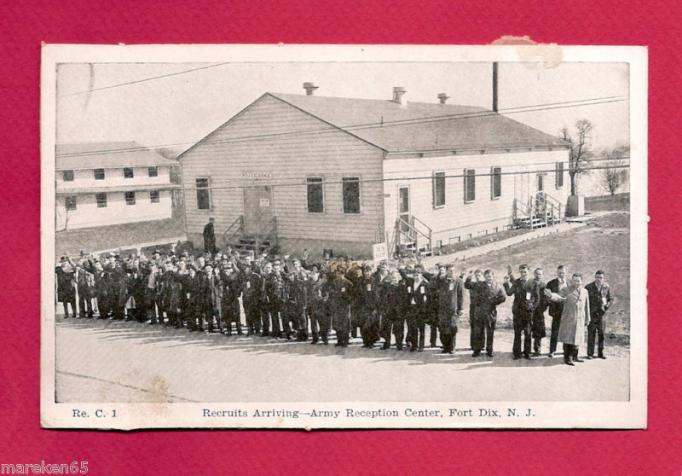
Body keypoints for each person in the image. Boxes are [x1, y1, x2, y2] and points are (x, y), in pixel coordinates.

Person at [545, 273, 591, 366]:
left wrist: (587, 318)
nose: (576, 282)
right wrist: (551, 296)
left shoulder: (585, 291)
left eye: (578, 281)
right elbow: (558, 297)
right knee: (568, 339)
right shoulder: (566, 290)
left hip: (580, 319)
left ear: (581, 281)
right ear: (571, 281)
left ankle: (575, 356)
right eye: (574, 280)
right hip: (569, 319)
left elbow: (587, 306)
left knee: (578, 338)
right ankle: (567, 358)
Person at [466, 269, 506, 357]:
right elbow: (467, 285)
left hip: (490, 313)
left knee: (490, 332)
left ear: (493, 276)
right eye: (487, 276)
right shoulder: (479, 284)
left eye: (490, 276)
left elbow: (503, 297)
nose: (489, 278)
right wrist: (469, 277)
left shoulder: (497, 286)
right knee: (478, 332)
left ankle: (489, 350)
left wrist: (494, 302)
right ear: (484, 277)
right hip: (479, 312)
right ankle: (477, 350)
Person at [504, 264, 536, 360]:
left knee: (528, 333)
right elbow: (509, 293)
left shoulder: (532, 282)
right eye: (521, 272)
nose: (523, 274)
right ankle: (517, 353)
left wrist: (532, 305)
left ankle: (527, 353)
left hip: (528, 312)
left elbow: (536, 296)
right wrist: (506, 283)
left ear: (528, 272)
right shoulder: (517, 282)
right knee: (517, 333)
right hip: (517, 311)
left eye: (525, 272)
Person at [585, 270, 614, 359]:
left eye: (600, 278)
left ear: (603, 278)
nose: (599, 279)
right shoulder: (589, 287)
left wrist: (606, 307)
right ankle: (590, 354)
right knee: (591, 334)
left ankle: (600, 353)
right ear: (595, 277)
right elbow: (586, 301)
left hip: (602, 315)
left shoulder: (606, 287)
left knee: (601, 334)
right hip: (592, 315)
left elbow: (610, 299)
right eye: (597, 277)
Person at [436, 265, 463, 354]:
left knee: (452, 328)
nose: (452, 272)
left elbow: (460, 296)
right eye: (450, 271)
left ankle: (452, 347)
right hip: (442, 309)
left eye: (453, 271)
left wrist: (460, 308)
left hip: (453, 309)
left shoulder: (458, 281)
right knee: (443, 328)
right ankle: (445, 347)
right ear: (446, 271)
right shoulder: (441, 280)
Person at [546, 265, 568, 357]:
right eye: (559, 273)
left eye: (563, 272)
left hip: (567, 312)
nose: (561, 274)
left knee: (566, 332)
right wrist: (552, 299)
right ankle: (552, 350)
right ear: (557, 273)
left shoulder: (570, 283)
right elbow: (546, 297)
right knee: (555, 332)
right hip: (556, 312)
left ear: (566, 273)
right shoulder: (551, 283)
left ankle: (565, 350)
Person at [529, 268, 548, 356]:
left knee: (538, 331)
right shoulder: (530, 283)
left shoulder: (544, 285)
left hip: (539, 311)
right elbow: (528, 295)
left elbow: (546, 299)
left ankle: (537, 350)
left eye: (540, 274)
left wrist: (542, 308)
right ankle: (527, 350)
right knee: (528, 330)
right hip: (530, 309)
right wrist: (529, 304)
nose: (538, 276)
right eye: (536, 274)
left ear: (542, 275)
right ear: (534, 274)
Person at [465, 269, 484, 350]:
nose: (477, 277)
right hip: (473, 307)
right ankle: (473, 345)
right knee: (473, 326)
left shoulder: (484, 284)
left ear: (482, 276)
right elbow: (466, 285)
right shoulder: (472, 284)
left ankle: (482, 345)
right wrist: (469, 276)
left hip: (482, 308)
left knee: (481, 326)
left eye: (479, 275)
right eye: (476, 275)